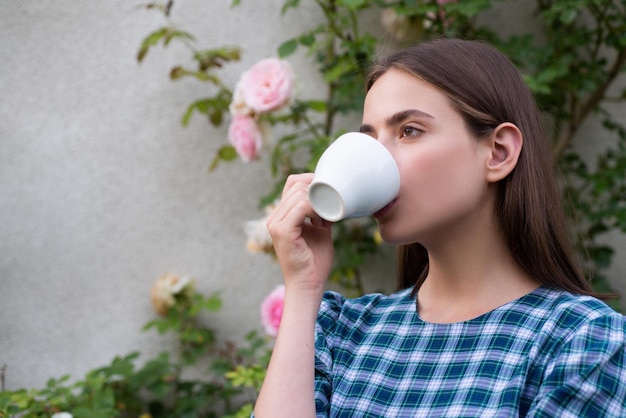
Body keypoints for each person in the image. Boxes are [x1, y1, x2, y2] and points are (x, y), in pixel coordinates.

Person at [253, 38, 626, 417]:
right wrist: (302, 288)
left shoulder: (582, 341)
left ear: (498, 152)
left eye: (409, 131)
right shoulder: (339, 332)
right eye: (369, 140)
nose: (378, 158)